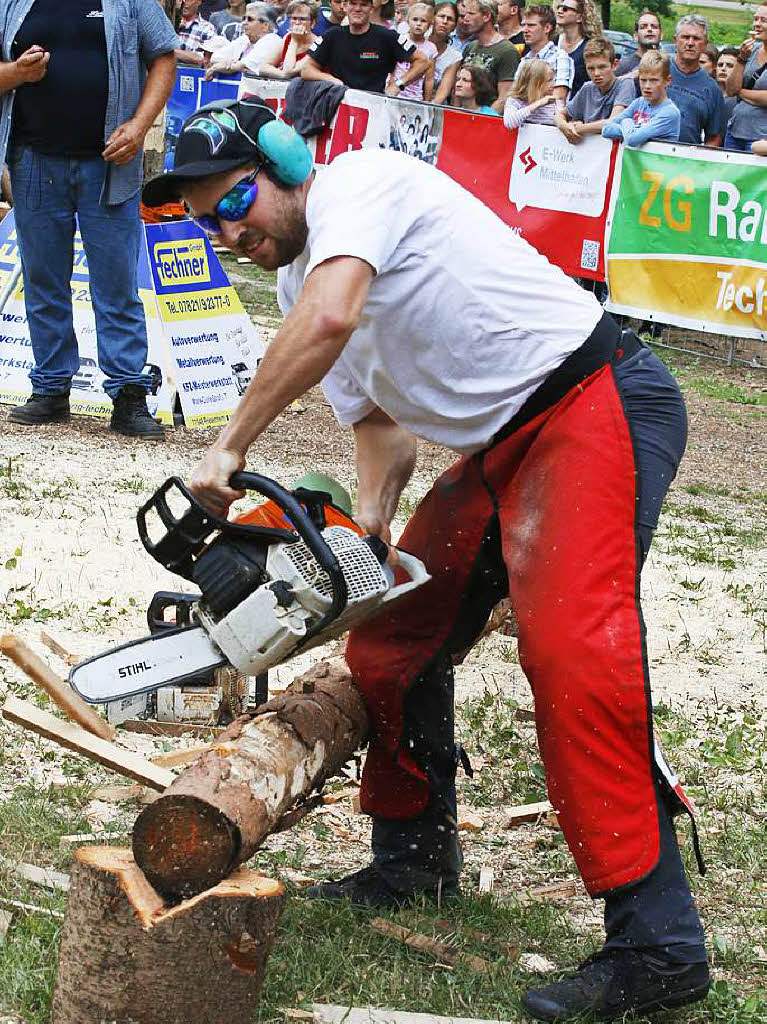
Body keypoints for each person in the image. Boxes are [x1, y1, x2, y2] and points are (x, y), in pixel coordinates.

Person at [144, 96, 710, 1024]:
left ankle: (657, 944)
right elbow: (377, 425)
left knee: (575, 650)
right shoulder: (300, 285)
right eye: (205, 218)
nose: (225, 229)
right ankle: (413, 858)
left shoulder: (358, 188)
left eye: (233, 200)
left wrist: (227, 446)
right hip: (499, 451)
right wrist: (364, 537)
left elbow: (332, 319)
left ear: (285, 165)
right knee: (390, 638)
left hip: (592, 398)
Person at [2, 0, 176, 438]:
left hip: (110, 166)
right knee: (43, 281)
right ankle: (51, 386)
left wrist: (139, 125)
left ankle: (129, 395)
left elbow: (164, 57)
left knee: (116, 284)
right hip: (34, 162)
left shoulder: (132, 1)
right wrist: (17, 74)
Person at [301, 0, 429, 93]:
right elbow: (306, 69)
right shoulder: (332, 35)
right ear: (345, 6)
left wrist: (398, 85)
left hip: (373, 111)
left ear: (371, 8)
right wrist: (330, 79)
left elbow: (422, 61)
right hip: (337, 106)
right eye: (353, 3)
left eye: (363, 4)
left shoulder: (387, 36)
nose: (357, 8)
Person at [556, 35, 634, 142]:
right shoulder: (587, 88)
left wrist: (579, 128)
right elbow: (559, 114)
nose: (596, 73)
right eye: (591, 68)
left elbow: (613, 122)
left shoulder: (625, 84)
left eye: (602, 67)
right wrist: (564, 126)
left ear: (614, 65)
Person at [667, 14, 725, 147]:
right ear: (675, 40)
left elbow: (713, 138)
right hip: (647, 158)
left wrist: (701, 164)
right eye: (685, 37)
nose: (690, 43)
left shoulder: (712, 89)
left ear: (705, 44)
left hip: (687, 162)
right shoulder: (658, 70)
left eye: (696, 38)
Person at [602, 50, 680, 146]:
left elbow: (632, 140)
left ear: (667, 81)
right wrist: (632, 130)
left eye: (653, 80)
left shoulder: (670, 112)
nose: (647, 86)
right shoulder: (638, 102)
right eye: (643, 80)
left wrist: (627, 121)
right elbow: (606, 130)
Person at [461, 0, 520, 112]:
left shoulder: (507, 51)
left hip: (487, 121)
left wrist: (483, 118)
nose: (466, 19)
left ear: (487, 16)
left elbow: (504, 97)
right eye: (465, 14)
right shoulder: (470, 47)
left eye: (471, 14)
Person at [724, 5, 767, 152]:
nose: (757, 24)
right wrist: (741, 58)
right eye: (755, 19)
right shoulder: (751, 50)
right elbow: (730, 90)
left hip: (761, 140)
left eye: (763, 20)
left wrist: (740, 92)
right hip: (734, 132)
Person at [517, 4, 572, 109]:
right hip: (521, 119)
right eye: (523, 25)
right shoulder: (525, 60)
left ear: (547, 28)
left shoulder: (560, 57)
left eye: (531, 25)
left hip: (547, 121)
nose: (525, 29)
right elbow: (514, 96)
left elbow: (558, 99)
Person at [206, 2, 282, 76]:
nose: (244, 23)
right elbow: (215, 58)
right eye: (244, 18)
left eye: (250, 19)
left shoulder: (272, 40)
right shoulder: (245, 39)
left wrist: (225, 66)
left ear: (265, 26)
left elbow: (246, 65)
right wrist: (231, 65)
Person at [259, 0, 320, 77]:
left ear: (313, 23)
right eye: (294, 18)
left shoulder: (318, 44)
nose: (297, 22)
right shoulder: (288, 37)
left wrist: (294, 40)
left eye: (302, 19)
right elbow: (263, 67)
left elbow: (288, 71)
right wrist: (282, 74)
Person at [390, 3, 437, 100]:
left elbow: (429, 78)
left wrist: (427, 101)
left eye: (423, 21)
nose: (418, 24)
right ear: (408, 21)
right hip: (394, 93)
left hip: (414, 96)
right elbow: (392, 68)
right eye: (415, 19)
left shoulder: (431, 48)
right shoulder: (400, 40)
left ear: (429, 26)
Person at [503, 57, 555, 127]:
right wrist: (538, 104)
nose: (553, 84)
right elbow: (509, 123)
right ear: (534, 83)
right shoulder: (515, 101)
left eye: (553, 80)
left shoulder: (552, 103)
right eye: (549, 80)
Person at [431, 2, 463, 104]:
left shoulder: (455, 57)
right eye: (441, 16)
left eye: (450, 19)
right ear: (432, 18)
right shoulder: (417, 44)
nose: (445, 22)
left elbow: (442, 94)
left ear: (454, 26)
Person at [554, 0, 587, 96]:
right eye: (559, 7)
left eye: (565, 9)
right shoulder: (551, 41)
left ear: (579, 17)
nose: (560, 11)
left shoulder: (588, 47)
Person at [615, 8, 661, 77]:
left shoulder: (669, 65)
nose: (649, 29)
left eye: (654, 26)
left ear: (661, 35)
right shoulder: (622, 67)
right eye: (643, 27)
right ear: (636, 36)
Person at [716, 45, 739, 121]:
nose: (723, 68)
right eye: (720, 65)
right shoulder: (708, 94)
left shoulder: (741, 101)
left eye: (730, 66)